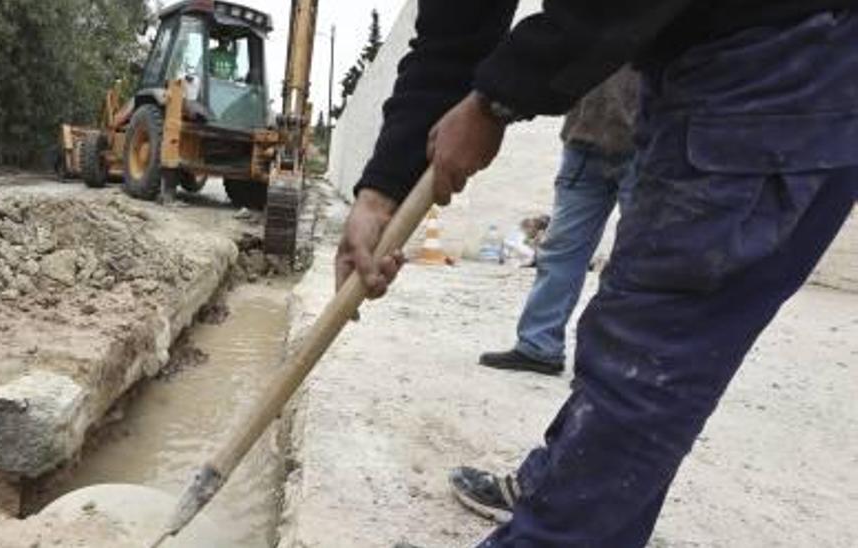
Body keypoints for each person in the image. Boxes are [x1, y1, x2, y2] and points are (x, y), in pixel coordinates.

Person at [334, 1, 858, 546]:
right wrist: (383, 190)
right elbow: (458, 23)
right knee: (639, 383)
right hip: (717, 64)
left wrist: (496, 102)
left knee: (645, 371)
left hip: (782, 65)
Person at [479, 69, 640, 376]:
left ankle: (615, 364)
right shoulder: (592, 21)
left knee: (638, 257)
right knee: (559, 249)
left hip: (645, 147)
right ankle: (538, 347)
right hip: (584, 143)